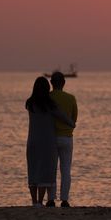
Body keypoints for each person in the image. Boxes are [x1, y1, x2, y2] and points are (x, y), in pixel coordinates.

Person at [25, 76, 74, 207]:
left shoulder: (29, 103)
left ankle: (35, 201)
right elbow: (62, 116)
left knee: (33, 170)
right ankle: (42, 201)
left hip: (32, 142)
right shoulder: (49, 104)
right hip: (47, 142)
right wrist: (71, 123)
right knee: (46, 171)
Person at [46, 72, 78, 208]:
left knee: (51, 169)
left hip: (51, 138)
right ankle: (64, 200)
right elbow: (74, 118)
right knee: (65, 170)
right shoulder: (71, 98)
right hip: (66, 137)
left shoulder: (47, 98)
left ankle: (51, 200)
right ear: (63, 83)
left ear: (51, 83)